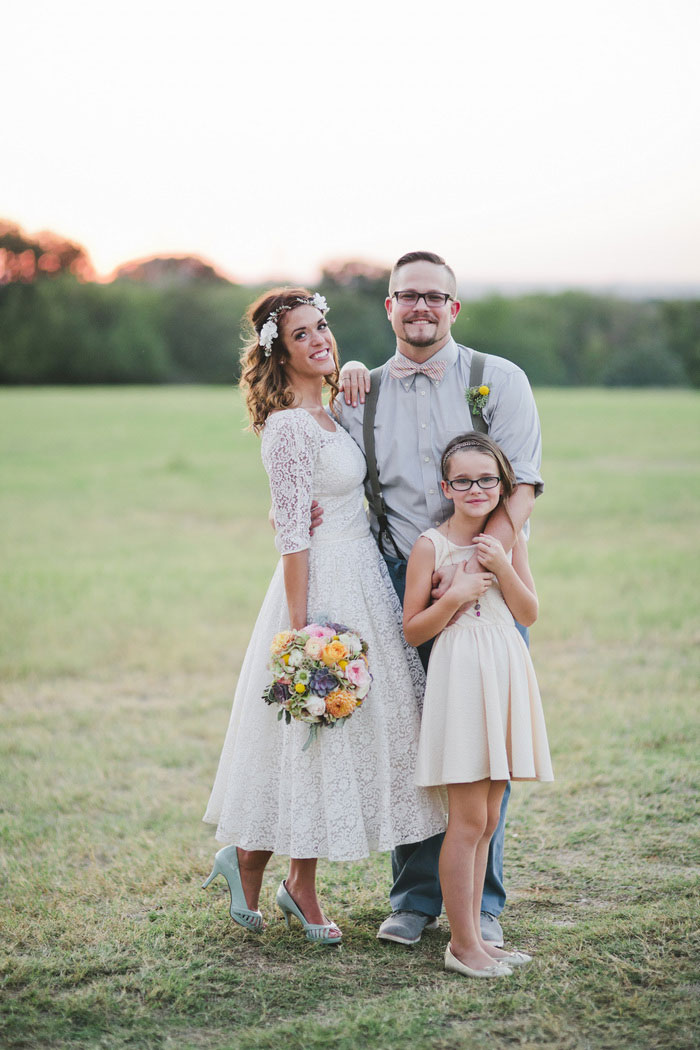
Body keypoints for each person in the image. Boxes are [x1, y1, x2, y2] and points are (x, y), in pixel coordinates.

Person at [202, 287, 445, 944]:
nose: (321, 341)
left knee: (339, 739)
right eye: (304, 334)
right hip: (319, 588)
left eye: (324, 329)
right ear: (279, 353)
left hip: (363, 576)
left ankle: (280, 874)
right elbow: (290, 535)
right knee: (311, 734)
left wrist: (356, 371)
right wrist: (305, 632)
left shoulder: (331, 413)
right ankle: (265, 867)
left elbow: (347, 447)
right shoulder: (284, 429)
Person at [335, 250, 544, 947]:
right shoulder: (356, 395)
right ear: (388, 307)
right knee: (413, 740)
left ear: (454, 308)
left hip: (485, 581)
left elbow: (522, 485)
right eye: (406, 297)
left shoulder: (500, 379)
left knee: (483, 739)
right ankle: (415, 896)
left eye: (435, 297)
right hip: (398, 580)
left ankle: (482, 903)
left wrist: (483, 561)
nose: (420, 308)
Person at [403, 432, 553, 977]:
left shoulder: (509, 541)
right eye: (462, 480)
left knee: (488, 817)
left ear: (501, 486)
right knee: (465, 820)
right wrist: (458, 595)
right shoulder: (431, 546)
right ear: (446, 486)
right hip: (462, 676)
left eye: (486, 480)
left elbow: (529, 611)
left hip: (504, 666)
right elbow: (413, 630)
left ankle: (479, 941)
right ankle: (462, 944)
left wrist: (503, 565)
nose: (475, 488)